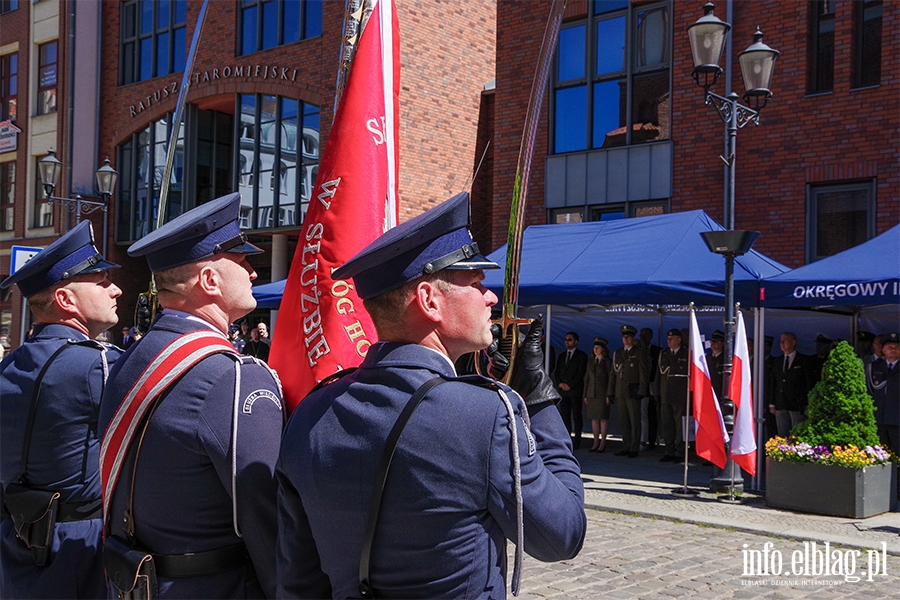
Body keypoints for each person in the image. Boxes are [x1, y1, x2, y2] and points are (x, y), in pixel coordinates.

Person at [275, 192, 585, 599]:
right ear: (429, 300)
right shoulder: (485, 413)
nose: (490, 296)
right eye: (475, 283)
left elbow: (299, 582)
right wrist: (539, 400)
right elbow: (561, 534)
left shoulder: (313, 411)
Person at [98, 193, 284, 599]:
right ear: (210, 280)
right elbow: (266, 517)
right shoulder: (231, 376)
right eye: (242, 261)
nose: (253, 272)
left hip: (132, 582)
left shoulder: (129, 359)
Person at [0, 221, 123, 599]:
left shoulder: (12, 363)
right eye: (101, 282)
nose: (115, 288)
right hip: (80, 550)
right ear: (67, 301)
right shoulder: (100, 365)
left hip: (16, 544)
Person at [610, 325, 648, 458]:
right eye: (624, 337)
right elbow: (613, 374)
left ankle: (634, 447)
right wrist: (611, 391)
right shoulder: (618, 353)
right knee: (624, 421)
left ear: (633, 339)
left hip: (633, 391)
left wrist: (642, 390)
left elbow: (643, 373)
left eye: (628, 337)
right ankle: (625, 446)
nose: (626, 339)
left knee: (635, 421)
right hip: (620, 392)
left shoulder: (639, 353)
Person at [766, 332, 813, 437]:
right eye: (781, 341)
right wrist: (772, 403)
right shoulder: (777, 361)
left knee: (797, 433)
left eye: (785, 340)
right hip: (780, 403)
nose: (782, 343)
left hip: (796, 404)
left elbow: (808, 382)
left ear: (793, 342)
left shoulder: (803, 360)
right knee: (782, 434)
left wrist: (808, 403)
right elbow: (773, 383)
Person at [658, 328, 689, 463]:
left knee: (679, 425)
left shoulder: (686, 353)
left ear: (679, 340)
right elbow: (659, 375)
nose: (669, 341)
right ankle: (668, 451)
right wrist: (657, 392)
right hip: (666, 394)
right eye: (668, 339)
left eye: (672, 339)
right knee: (667, 424)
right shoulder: (664, 354)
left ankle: (679, 452)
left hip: (680, 395)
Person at [554, 331, 588, 449]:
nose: (567, 342)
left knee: (577, 416)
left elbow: (580, 374)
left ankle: (577, 440)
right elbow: (557, 371)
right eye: (566, 340)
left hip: (575, 391)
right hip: (563, 391)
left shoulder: (581, 356)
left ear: (576, 342)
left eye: (569, 340)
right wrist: (560, 384)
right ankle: (566, 440)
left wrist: (570, 385)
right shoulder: (562, 356)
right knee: (565, 416)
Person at [868, 333, 899, 454]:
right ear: (883, 350)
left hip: (897, 419)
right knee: (880, 451)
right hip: (879, 417)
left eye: (896, 347)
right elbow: (870, 390)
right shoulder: (874, 367)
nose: (893, 350)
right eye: (889, 347)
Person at [583, 337, 613, 452]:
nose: (595, 349)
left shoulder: (607, 362)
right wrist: (585, 394)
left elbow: (610, 379)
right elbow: (587, 379)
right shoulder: (591, 362)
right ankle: (595, 441)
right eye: (594, 347)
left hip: (602, 393)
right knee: (594, 418)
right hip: (591, 393)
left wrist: (608, 394)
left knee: (603, 418)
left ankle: (603, 442)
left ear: (603, 349)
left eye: (598, 348)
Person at [639, 327, 660, 450]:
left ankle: (651, 440)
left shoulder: (657, 351)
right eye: (641, 335)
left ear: (651, 337)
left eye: (645, 335)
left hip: (653, 386)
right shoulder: (637, 351)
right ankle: (641, 440)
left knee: (652, 416)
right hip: (640, 388)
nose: (643, 338)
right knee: (641, 415)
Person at [707, 329, 725, 401]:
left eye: (716, 342)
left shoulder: (726, 359)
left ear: (722, 344)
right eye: (712, 341)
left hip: (720, 394)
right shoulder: (707, 358)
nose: (713, 344)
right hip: (708, 393)